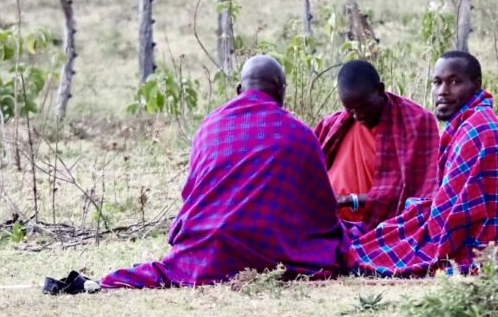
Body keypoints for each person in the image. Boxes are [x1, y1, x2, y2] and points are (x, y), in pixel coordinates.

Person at [101, 55, 348, 288]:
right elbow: (321, 210)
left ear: (239, 90)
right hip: (276, 251)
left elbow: (191, 196)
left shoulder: (208, 128)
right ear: (282, 91)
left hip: (209, 252)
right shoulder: (300, 134)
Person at [344, 51, 498, 276]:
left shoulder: (477, 130)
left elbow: (449, 218)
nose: (443, 92)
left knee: (371, 251)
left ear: (476, 85)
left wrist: (416, 224)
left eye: (455, 82)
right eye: (437, 82)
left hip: (485, 239)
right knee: (392, 230)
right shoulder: (473, 122)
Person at [314, 60, 439, 228]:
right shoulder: (333, 125)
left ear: (380, 89)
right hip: (330, 220)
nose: (358, 115)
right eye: (350, 110)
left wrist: (350, 200)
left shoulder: (416, 122)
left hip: (384, 225)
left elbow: (420, 193)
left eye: (363, 107)